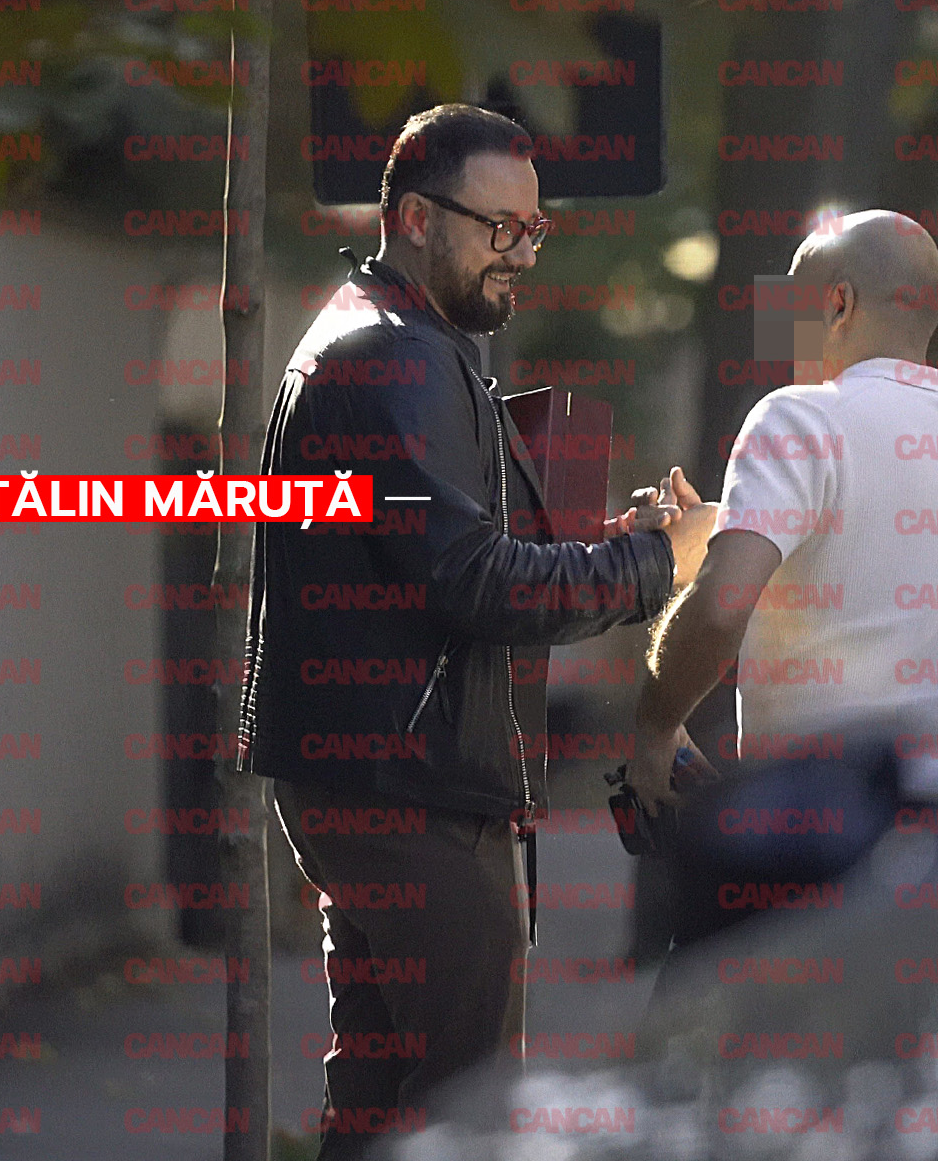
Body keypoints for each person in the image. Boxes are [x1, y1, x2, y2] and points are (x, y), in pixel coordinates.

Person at [235, 103, 713, 1156]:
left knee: (378, 1097)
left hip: (371, 781)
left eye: (533, 229)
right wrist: (659, 566)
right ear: (415, 218)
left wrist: (611, 544)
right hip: (416, 796)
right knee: (468, 1109)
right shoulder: (394, 355)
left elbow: (438, 552)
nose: (523, 254)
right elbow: (473, 581)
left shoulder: (382, 335)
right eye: (499, 228)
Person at [629, 211, 938, 927]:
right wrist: (725, 532)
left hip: (814, 850)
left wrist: (655, 728)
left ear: (838, 304)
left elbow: (724, 606)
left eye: (789, 303)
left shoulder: (796, 418)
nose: (778, 329)